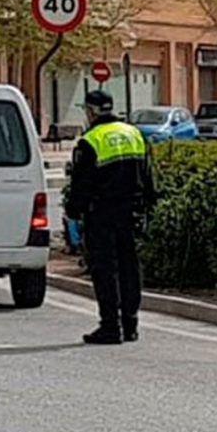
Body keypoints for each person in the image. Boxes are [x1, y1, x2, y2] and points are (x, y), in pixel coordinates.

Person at [65, 90, 157, 345]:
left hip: (102, 214)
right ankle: (130, 324)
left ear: (91, 112)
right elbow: (148, 176)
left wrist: (74, 210)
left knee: (106, 269)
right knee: (129, 267)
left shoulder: (90, 141)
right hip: (131, 212)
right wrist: (149, 205)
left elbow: (81, 184)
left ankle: (110, 326)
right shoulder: (133, 134)